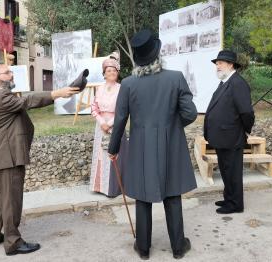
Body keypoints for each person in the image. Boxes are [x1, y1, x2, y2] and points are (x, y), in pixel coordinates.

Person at [108, 29, 197, 260]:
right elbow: (190, 113)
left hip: (141, 147)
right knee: (172, 195)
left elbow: (119, 120)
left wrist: (113, 148)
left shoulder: (127, 84)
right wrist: (171, 127)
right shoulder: (175, 77)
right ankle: (178, 247)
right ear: (158, 57)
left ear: (137, 60)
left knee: (143, 197)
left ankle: (144, 248)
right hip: (171, 145)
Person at [0, 61, 79, 256]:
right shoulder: (1, 96)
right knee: (10, 201)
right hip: (8, 156)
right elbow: (27, 101)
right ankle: (13, 242)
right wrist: (56, 94)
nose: (11, 74)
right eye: (7, 72)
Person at [204, 50, 255, 214]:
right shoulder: (225, 82)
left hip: (232, 137)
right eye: (216, 63)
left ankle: (235, 204)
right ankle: (229, 198)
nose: (217, 66)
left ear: (231, 64)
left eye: (220, 63)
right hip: (223, 137)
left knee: (232, 172)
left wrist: (245, 130)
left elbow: (247, 112)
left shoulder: (237, 83)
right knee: (226, 171)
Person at [89, 52, 128, 197]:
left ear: (117, 73)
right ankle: (101, 187)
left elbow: (123, 109)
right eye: (108, 71)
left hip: (116, 125)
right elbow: (94, 107)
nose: (111, 73)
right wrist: (101, 122)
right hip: (101, 126)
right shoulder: (99, 88)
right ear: (104, 74)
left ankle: (114, 189)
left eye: (114, 70)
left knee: (115, 155)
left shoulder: (122, 88)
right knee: (101, 155)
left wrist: (110, 123)